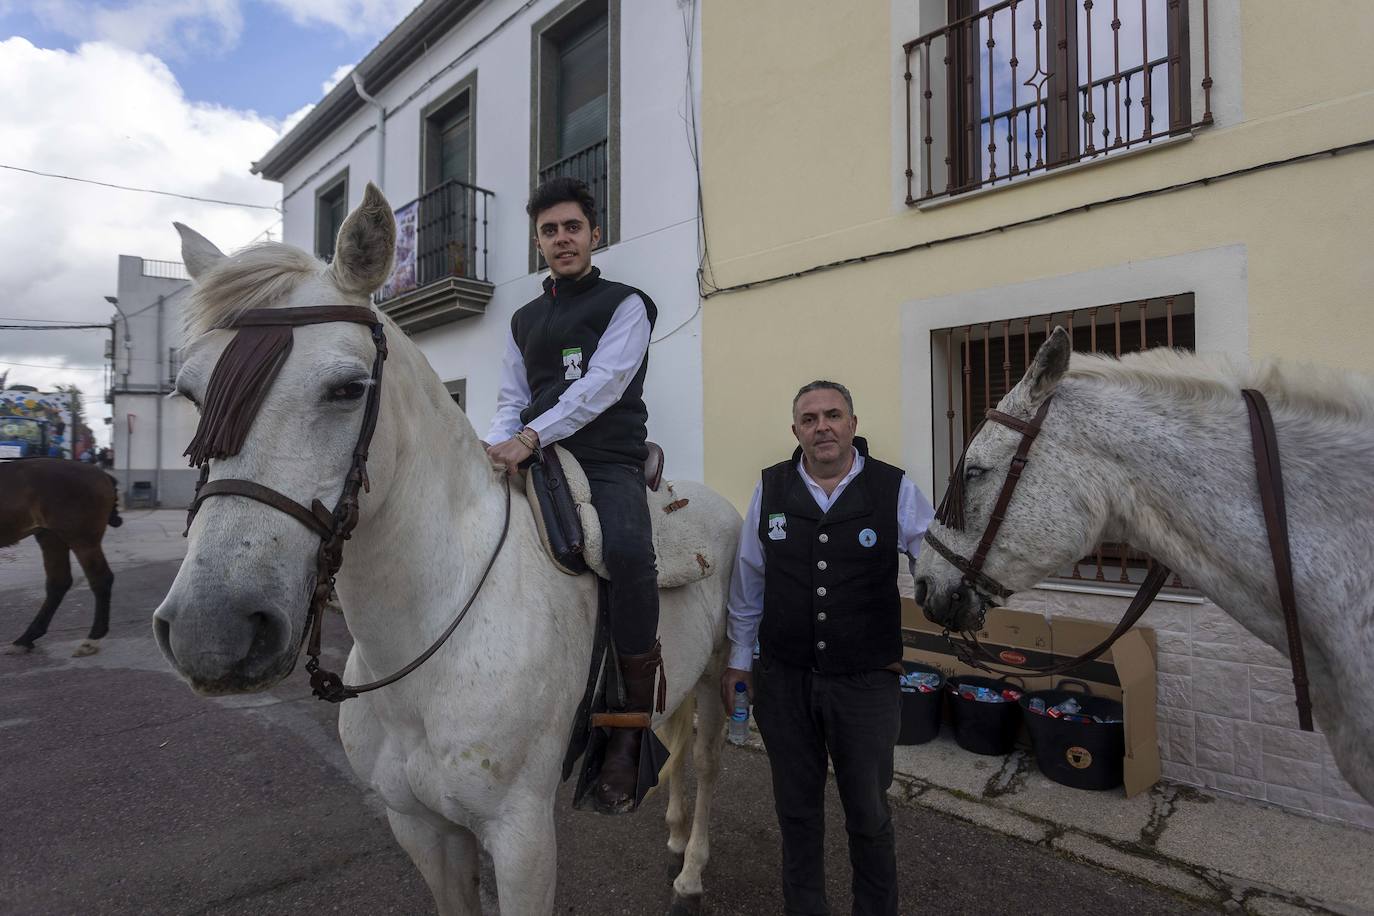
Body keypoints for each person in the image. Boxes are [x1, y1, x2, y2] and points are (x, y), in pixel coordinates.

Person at [721, 380, 935, 916]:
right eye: (810, 418)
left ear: (853, 425)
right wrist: (738, 661)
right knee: (796, 814)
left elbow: (933, 563)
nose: (823, 427)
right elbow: (749, 579)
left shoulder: (894, 488)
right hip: (784, 681)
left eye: (833, 415)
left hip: (866, 683)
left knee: (868, 812)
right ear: (796, 431)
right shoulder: (770, 489)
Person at [485, 176, 661, 814]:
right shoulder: (522, 318)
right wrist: (498, 445)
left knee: (631, 554)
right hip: (535, 449)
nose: (562, 239)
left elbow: (606, 385)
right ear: (538, 243)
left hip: (607, 455)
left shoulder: (627, 304)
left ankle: (630, 729)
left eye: (572, 228)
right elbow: (509, 396)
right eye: (549, 230)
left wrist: (531, 437)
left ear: (594, 234)